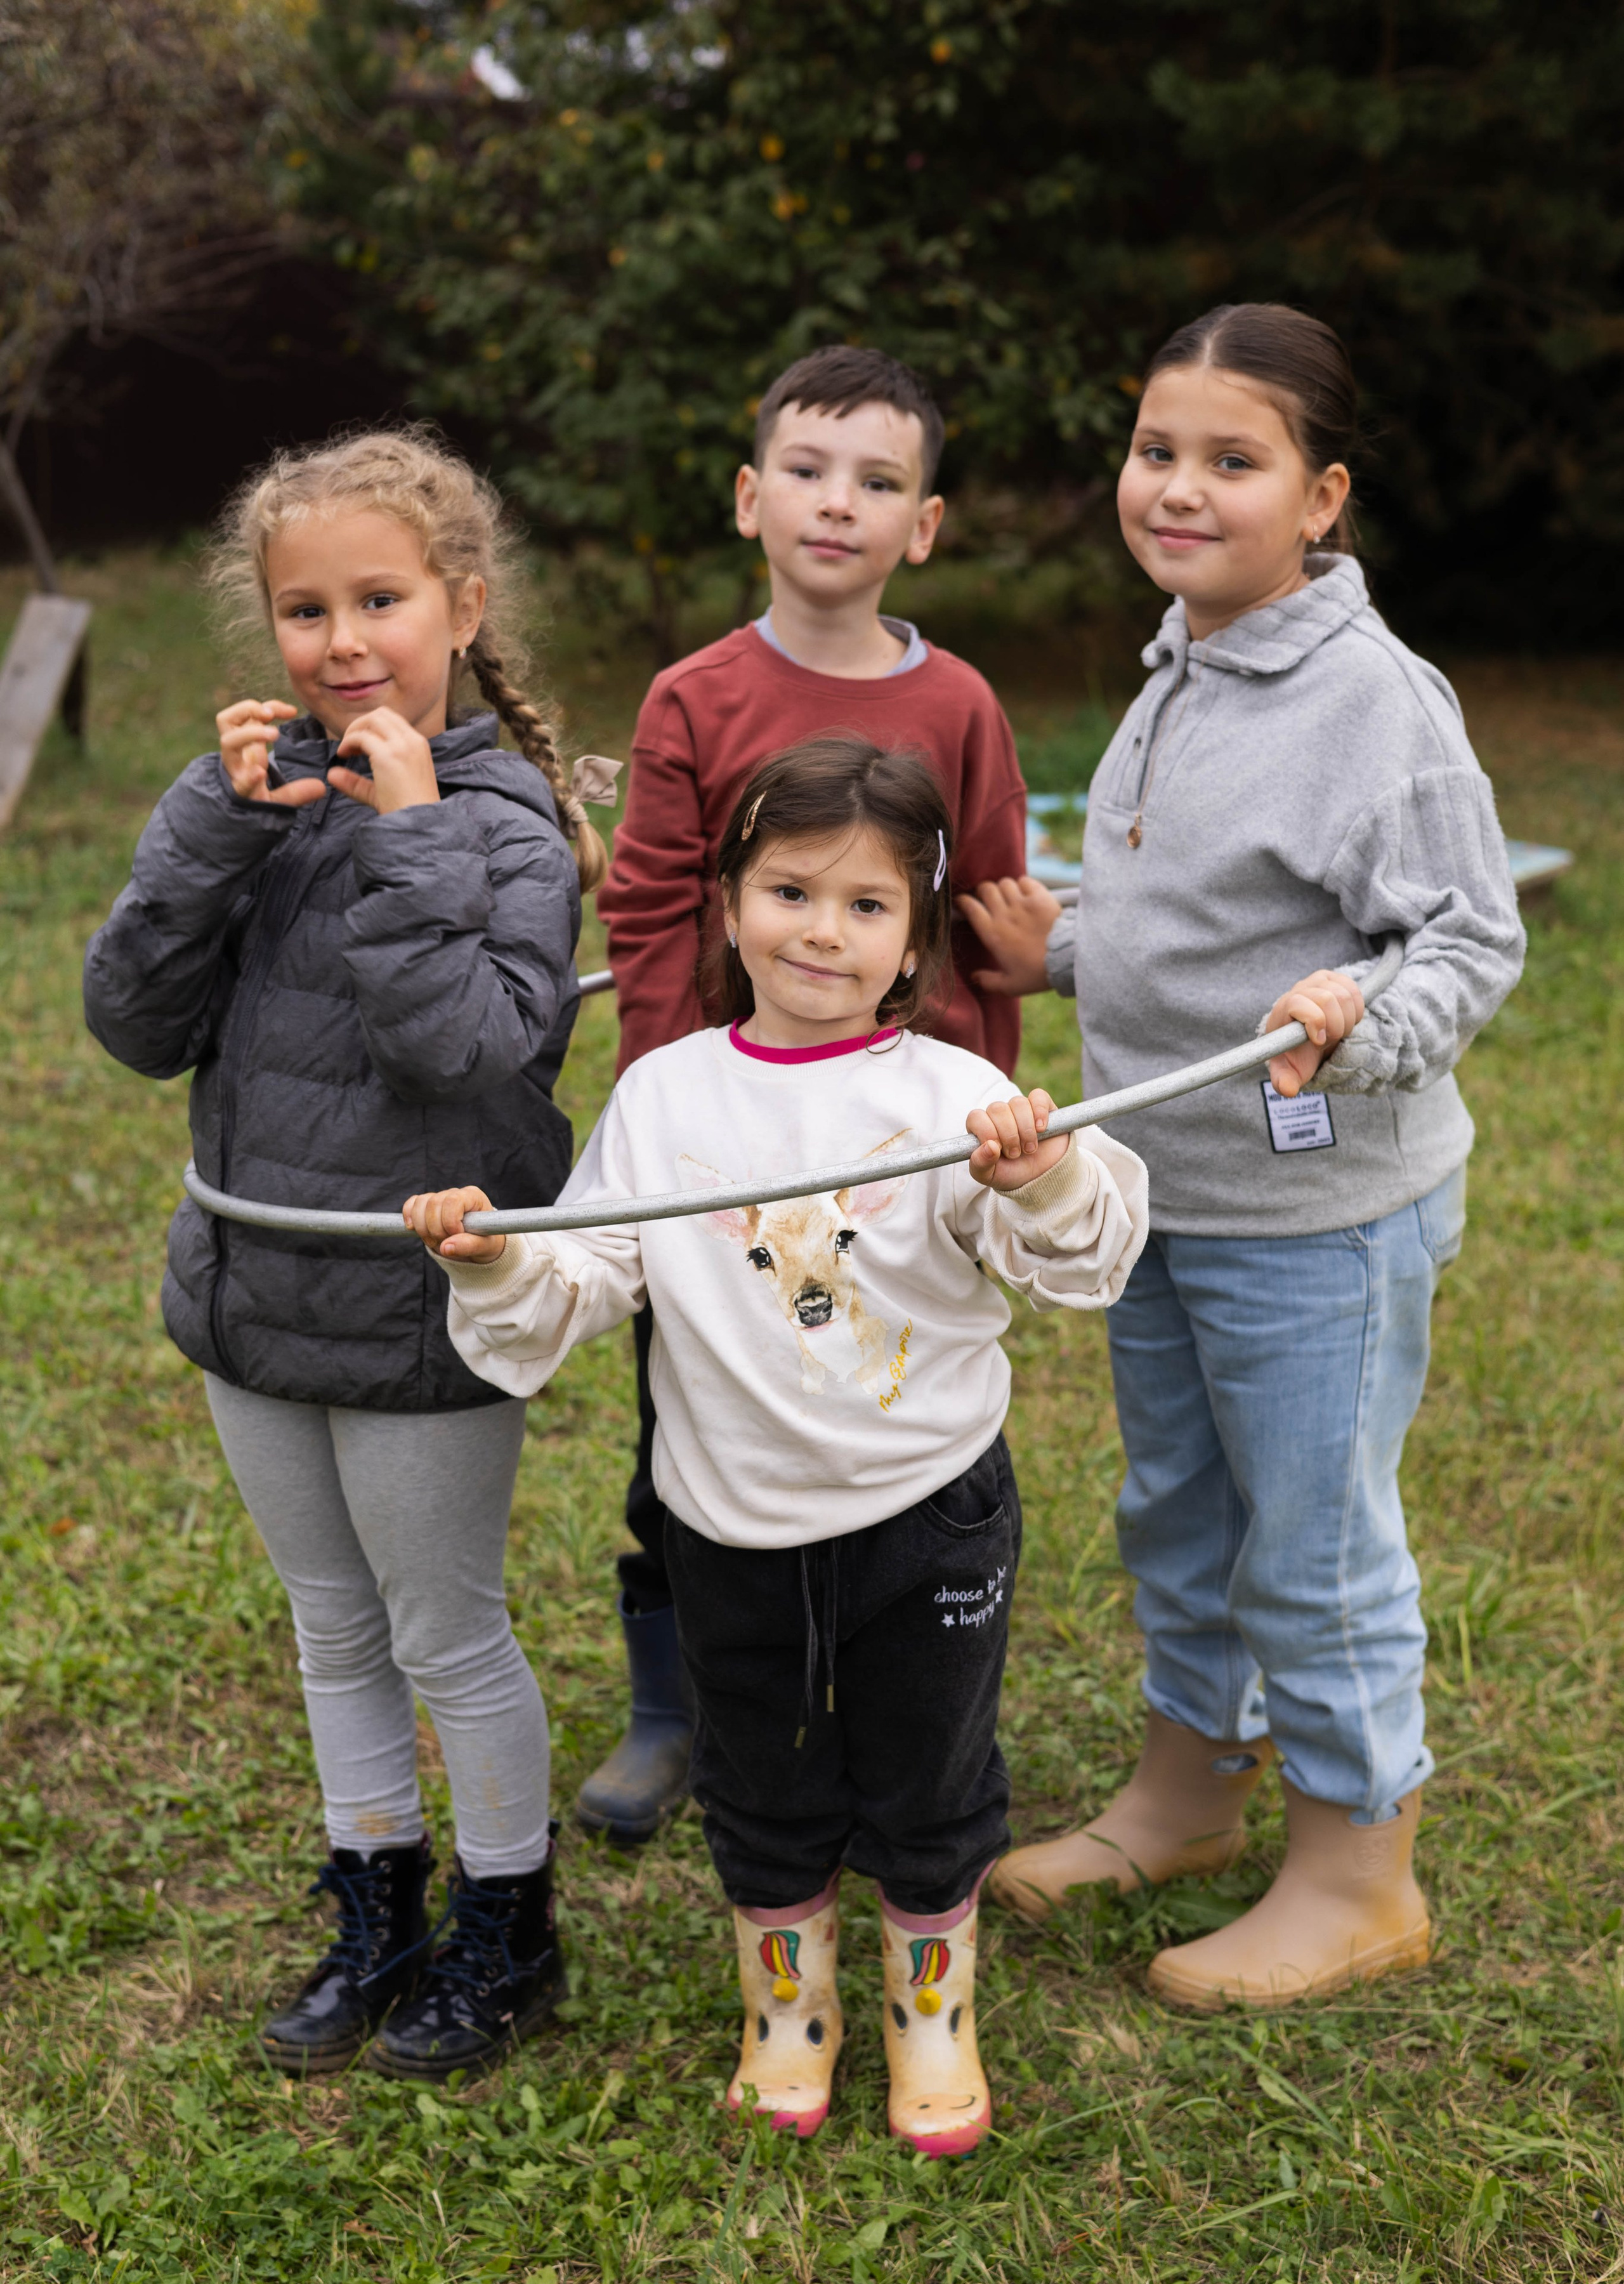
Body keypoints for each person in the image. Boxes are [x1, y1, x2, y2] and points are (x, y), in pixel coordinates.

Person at [405, 738, 1146, 2150]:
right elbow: (586, 1278)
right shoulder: (669, 1096)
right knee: (757, 1773)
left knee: (930, 1770)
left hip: (924, 1509)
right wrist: (498, 1261)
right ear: (728, 900)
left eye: (867, 906)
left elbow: (1072, 1259)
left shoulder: (950, 1097)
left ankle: (930, 2012)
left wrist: (1040, 1176)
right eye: (790, 890)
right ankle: (786, 2011)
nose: (822, 929)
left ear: (917, 934)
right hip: (728, 1521)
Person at [962, 303, 1525, 2010]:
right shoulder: (1182, 661)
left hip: (1319, 1219)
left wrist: (1361, 1009)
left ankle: (1362, 1868)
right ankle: (1190, 1792)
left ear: (1322, 495)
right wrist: (1054, 951)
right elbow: (1186, 916)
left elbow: (1470, 942)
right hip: (1160, 1195)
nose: (1180, 487)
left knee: (1314, 1535)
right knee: (1180, 1512)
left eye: (1233, 459)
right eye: (1156, 451)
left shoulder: (1375, 703)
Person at [83, 427, 610, 2081]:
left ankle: (508, 1926)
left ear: (458, 605)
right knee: (330, 1621)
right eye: (304, 610)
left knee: (446, 1627)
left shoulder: (509, 828)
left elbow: (468, 1058)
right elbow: (131, 1021)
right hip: (261, 1279)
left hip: (416, 1298)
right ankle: (375, 1900)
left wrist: (408, 837)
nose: (342, 640)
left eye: (379, 597)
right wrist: (203, 830)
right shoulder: (261, 808)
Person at [585, 344, 1031, 1846]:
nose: (836, 503)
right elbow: (646, 908)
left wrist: (980, 1145)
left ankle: (908, 1682)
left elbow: (984, 920)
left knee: (886, 1389)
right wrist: (675, 1118)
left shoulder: (959, 704)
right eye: (806, 468)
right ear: (746, 495)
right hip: (720, 1155)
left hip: (893, 1152)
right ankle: (680, 1704)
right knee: (689, 1420)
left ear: (925, 524)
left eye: (879, 480)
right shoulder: (692, 695)